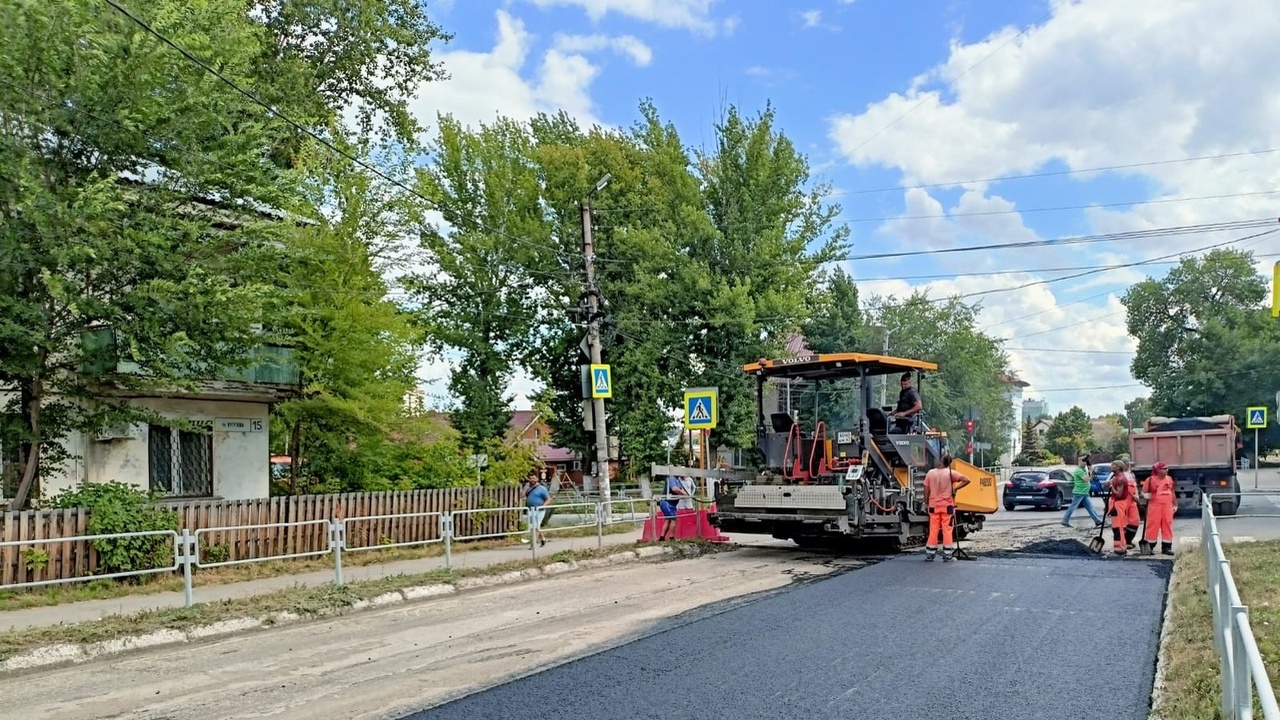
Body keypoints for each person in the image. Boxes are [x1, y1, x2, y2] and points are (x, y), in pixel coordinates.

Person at [922, 455, 970, 562]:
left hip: (933, 505)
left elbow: (926, 489)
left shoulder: (930, 473)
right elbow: (967, 480)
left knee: (933, 529)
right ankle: (947, 555)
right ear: (949, 463)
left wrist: (926, 503)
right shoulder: (950, 473)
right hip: (947, 506)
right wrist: (955, 489)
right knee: (947, 530)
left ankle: (930, 554)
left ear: (940, 462)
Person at [1140, 461, 1176, 556]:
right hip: (1154, 507)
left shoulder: (1169, 479)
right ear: (1158, 470)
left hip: (1167, 507)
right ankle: (1150, 547)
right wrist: (1145, 495)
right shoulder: (1150, 480)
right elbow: (1143, 492)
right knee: (1152, 526)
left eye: (1167, 468)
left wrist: (1175, 504)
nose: (1167, 470)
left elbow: (1172, 492)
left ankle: (1167, 547)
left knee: (1167, 526)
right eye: (1164, 469)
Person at [1106, 460, 1140, 556]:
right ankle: (1123, 546)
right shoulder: (1117, 477)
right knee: (1117, 527)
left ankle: (1119, 549)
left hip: (1119, 504)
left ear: (1118, 467)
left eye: (1113, 465)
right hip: (1118, 503)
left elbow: (1119, 494)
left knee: (1118, 527)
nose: (1111, 466)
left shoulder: (1120, 478)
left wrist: (1111, 486)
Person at [1061, 455, 1103, 527]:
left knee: (1090, 507)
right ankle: (1065, 520)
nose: (1085, 463)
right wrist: (1090, 470)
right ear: (1079, 462)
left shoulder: (1083, 470)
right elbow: (1086, 479)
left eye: (1085, 462)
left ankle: (1097, 521)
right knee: (1073, 507)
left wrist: (1090, 471)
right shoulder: (1078, 470)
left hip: (1084, 492)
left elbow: (1089, 478)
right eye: (1083, 462)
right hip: (1079, 492)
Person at [657, 474, 691, 541]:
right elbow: (674, 489)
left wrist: (686, 495)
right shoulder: (671, 478)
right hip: (667, 503)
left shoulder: (677, 480)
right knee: (674, 519)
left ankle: (662, 537)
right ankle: (671, 537)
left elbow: (681, 489)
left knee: (668, 519)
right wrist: (685, 494)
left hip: (672, 504)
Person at [523, 470, 550, 547]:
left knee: (536, 526)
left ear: (537, 479)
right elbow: (521, 496)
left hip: (539, 510)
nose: (532, 480)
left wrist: (543, 506)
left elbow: (548, 499)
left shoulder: (542, 489)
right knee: (534, 527)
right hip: (530, 510)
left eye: (533, 478)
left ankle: (533, 545)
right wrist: (525, 488)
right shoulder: (528, 488)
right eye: (530, 478)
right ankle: (543, 539)